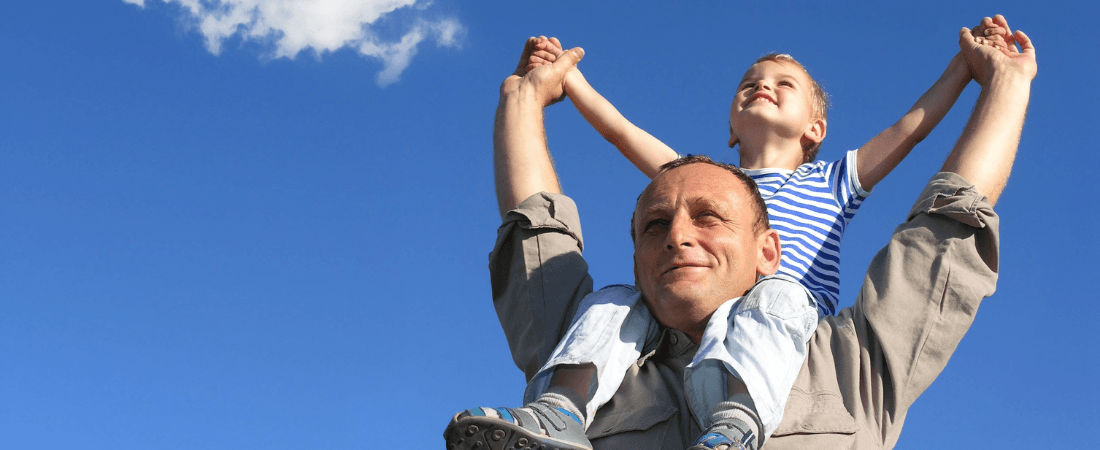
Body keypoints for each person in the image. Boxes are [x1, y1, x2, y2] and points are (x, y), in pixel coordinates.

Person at [445, 13, 1035, 450]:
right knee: (614, 302)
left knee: (775, 298)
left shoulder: (832, 181)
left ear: (815, 128)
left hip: (789, 319)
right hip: (660, 332)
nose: (679, 233)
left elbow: (914, 136)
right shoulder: (696, 177)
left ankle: (736, 422)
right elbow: (619, 133)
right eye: (658, 222)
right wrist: (558, 84)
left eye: (784, 84)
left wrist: (970, 71)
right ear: (729, 128)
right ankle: (562, 409)